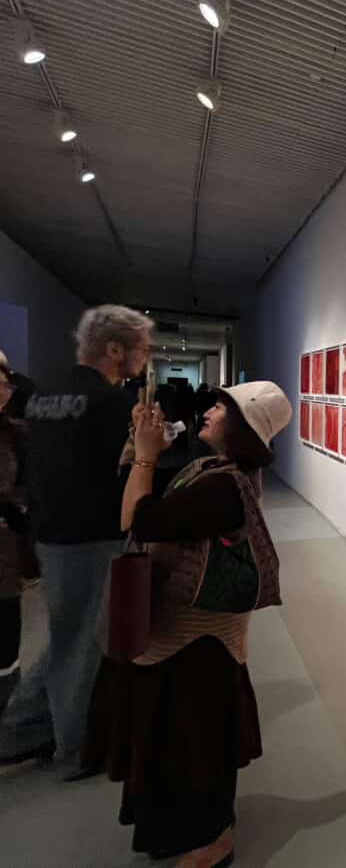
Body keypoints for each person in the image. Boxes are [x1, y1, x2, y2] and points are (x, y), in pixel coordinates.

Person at [85, 381, 291, 868]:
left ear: (242, 425)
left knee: (195, 742)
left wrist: (145, 456)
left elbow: (139, 520)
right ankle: (179, 829)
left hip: (199, 640)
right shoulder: (210, 469)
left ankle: (214, 838)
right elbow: (135, 506)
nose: (209, 411)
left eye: (222, 406)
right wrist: (141, 451)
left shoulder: (224, 485)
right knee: (175, 740)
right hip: (182, 637)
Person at [0, 305, 153, 779]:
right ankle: (72, 743)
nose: (145, 358)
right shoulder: (109, 402)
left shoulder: (44, 393)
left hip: (51, 533)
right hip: (92, 535)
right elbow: (122, 473)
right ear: (115, 349)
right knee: (83, 642)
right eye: (142, 348)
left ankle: (24, 728)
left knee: (68, 634)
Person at [0, 361, 36, 683]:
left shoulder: (17, 434)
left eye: (4, 386)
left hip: (6, 546)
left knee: (6, 632)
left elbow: (29, 485)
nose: (2, 393)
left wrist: (16, 507)